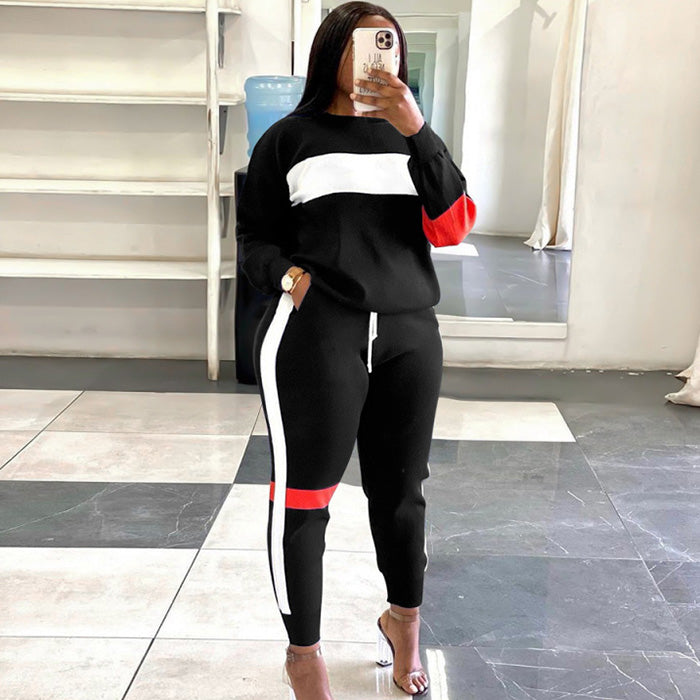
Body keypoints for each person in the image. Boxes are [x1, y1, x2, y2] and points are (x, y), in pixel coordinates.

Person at [235, 2, 476, 698]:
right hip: (318, 335)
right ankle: (303, 656)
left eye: (390, 43)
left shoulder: (414, 137)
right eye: (366, 43)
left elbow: (454, 225)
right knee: (304, 498)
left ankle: (405, 622)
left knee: (402, 495)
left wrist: (418, 129)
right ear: (333, 50)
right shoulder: (288, 138)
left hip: (410, 336)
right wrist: (288, 276)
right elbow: (253, 239)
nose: (380, 54)